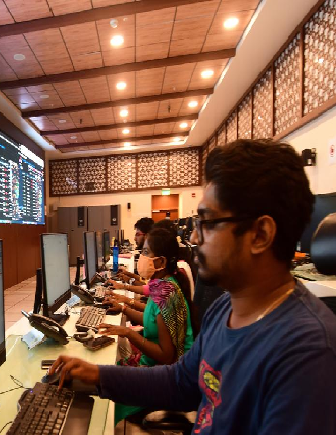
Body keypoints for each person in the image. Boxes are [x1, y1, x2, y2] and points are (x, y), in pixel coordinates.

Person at [49, 139, 336, 434]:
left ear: (260, 235)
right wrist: (98, 375)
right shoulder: (225, 308)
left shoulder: (308, 354)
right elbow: (182, 382)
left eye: (207, 222)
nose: (196, 239)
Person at [98, 227, 195, 423]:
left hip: (167, 379)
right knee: (107, 370)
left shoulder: (167, 294)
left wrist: (128, 332)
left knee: (105, 399)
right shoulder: (162, 285)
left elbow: (166, 356)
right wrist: (123, 308)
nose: (141, 257)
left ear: (161, 262)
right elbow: (151, 321)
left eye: (145, 252)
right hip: (156, 367)